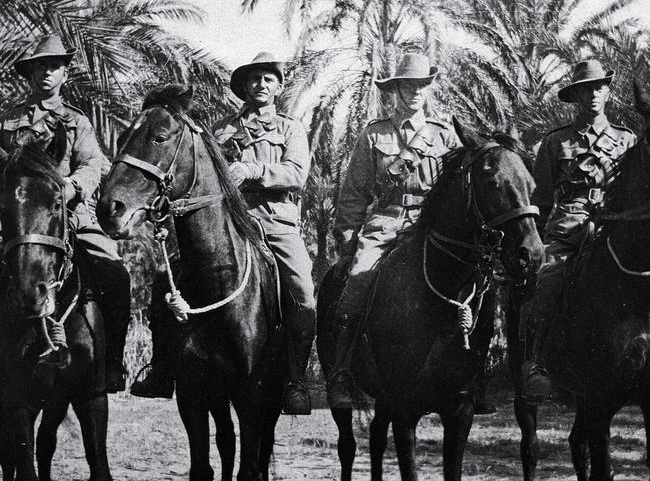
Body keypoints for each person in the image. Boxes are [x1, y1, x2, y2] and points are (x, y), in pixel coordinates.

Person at [131, 52, 317, 416]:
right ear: (244, 86)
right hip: (227, 221)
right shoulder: (220, 130)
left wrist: (251, 169)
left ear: (278, 87)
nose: (261, 85)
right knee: (165, 280)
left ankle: (296, 380)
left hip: (274, 221)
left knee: (304, 293)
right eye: (255, 79)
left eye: (268, 79)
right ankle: (161, 369)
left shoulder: (290, 129)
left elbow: (296, 174)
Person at [326, 53, 462, 409]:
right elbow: (354, 192)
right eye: (408, 85)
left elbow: (460, 189)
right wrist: (346, 235)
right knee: (357, 279)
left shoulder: (445, 136)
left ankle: (468, 375)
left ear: (428, 88)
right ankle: (342, 369)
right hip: (385, 223)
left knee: (467, 283)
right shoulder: (375, 135)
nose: (415, 91)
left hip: (431, 229)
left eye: (421, 84)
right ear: (396, 89)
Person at [0, 35, 132, 392]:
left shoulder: (77, 121)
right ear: (29, 73)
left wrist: (70, 187)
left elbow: (92, 164)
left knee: (115, 272)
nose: (46, 71)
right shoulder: (7, 122)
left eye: (54, 65)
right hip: (20, 218)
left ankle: (112, 363)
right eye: (40, 65)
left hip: (69, 215)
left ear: (65, 73)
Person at [522, 59, 636, 398]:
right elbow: (540, 200)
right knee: (548, 279)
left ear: (608, 90)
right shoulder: (556, 143)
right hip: (570, 225)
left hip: (615, 224)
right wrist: (537, 242)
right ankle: (536, 363)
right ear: (576, 96)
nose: (595, 94)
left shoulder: (626, 140)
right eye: (587, 88)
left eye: (600, 86)